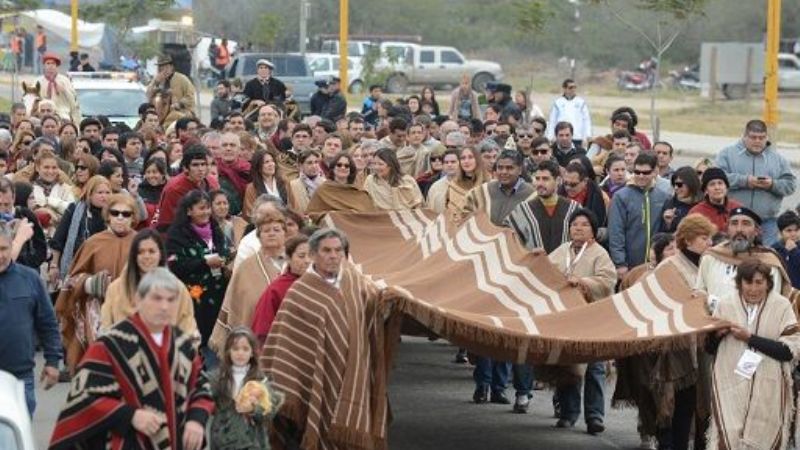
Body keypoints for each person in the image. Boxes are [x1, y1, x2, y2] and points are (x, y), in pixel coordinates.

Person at [260, 228, 399, 450]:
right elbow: (286, 345)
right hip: (318, 376)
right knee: (320, 422)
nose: (333, 255)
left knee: (352, 430)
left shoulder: (357, 282)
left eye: (338, 250)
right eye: (326, 250)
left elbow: (376, 313)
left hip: (355, 372)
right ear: (314, 255)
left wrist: (388, 304)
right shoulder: (299, 293)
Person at [48, 268, 214, 450]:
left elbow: (200, 387)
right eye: (157, 298)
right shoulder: (110, 345)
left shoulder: (183, 344)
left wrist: (196, 419)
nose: (164, 306)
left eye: (171, 300)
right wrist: (129, 415)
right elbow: (83, 399)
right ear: (139, 301)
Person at [705, 259, 800, 450]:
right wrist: (717, 335)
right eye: (748, 283)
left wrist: (750, 338)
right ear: (739, 283)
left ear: (768, 283)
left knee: (763, 436)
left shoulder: (781, 306)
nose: (753, 288)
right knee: (728, 436)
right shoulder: (725, 304)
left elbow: (788, 351)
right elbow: (709, 348)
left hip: (769, 386)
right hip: (729, 382)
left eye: (759, 282)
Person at [651, 214, 716, 450]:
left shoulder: (710, 264)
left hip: (705, 342)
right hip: (677, 344)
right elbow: (662, 301)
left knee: (705, 403)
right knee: (681, 404)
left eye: (710, 237)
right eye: (703, 237)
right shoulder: (669, 266)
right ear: (687, 240)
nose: (709, 243)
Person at [548, 209, 616, 434]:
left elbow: (608, 281)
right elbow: (544, 274)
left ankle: (595, 416)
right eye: (575, 224)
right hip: (565, 318)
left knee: (594, 369)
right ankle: (568, 413)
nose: (578, 228)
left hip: (592, 318)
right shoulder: (560, 251)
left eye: (584, 224)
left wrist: (582, 282)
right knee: (568, 367)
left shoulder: (599, 254)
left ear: (593, 231)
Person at [55, 193, 138, 372]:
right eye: (115, 213)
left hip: (134, 317)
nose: (120, 218)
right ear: (107, 215)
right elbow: (71, 281)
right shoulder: (93, 243)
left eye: (126, 213)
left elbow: (158, 279)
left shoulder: (143, 243)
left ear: (134, 216)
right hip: (97, 318)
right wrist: (88, 283)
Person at [0, 219, 61, 416]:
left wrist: (52, 362)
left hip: (20, 378)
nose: (0, 255)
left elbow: (48, 323)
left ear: (12, 246)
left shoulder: (30, 278)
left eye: (3, 248)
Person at [166, 190, 231, 366]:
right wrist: (205, 262)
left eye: (208, 208)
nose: (206, 212)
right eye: (201, 208)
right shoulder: (177, 235)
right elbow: (175, 265)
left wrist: (226, 259)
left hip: (219, 297)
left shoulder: (216, 229)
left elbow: (224, 251)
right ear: (189, 211)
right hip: (194, 300)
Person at [209, 209, 286, 355]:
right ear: (259, 236)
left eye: (276, 230)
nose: (271, 233)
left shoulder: (295, 263)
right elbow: (237, 303)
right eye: (266, 231)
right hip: (257, 336)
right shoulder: (246, 267)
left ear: (284, 233)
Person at [716, 119, 796, 246]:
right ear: (744, 136)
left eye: (761, 138)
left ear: (767, 137)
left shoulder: (778, 159)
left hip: (767, 222)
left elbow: (791, 185)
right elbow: (718, 179)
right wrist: (745, 181)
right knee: (735, 258)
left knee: (766, 259)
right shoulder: (727, 154)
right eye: (753, 137)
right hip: (735, 221)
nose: (757, 141)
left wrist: (772, 184)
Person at [100, 228, 196, 333]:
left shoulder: (177, 289)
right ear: (134, 256)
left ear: (160, 254)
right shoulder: (115, 289)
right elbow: (105, 329)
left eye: (151, 251)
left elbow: (188, 331)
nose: (146, 256)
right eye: (141, 252)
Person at [209, 327, 284, 450]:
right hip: (224, 439)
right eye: (235, 349)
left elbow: (269, 410)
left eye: (245, 349)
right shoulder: (218, 378)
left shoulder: (260, 379)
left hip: (252, 439)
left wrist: (254, 408)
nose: (240, 353)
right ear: (228, 351)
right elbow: (204, 396)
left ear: (252, 353)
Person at [608, 153, 670, 279]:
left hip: (656, 265)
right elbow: (616, 231)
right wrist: (620, 263)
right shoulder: (621, 197)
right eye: (637, 172)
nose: (641, 176)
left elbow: (666, 232)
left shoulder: (664, 197)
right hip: (629, 266)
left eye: (646, 172)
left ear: (655, 172)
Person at [506, 160, 580, 252]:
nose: (540, 183)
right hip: (534, 264)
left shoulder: (574, 209)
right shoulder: (523, 210)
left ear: (558, 180)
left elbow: (582, 241)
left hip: (565, 265)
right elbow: (509, 241)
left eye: (545, 179)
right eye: (537, 179)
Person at [49, 176, 112, 284]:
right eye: (100, 192)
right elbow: (58, 239)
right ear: (90, 194)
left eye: (107, 192)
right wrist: (54, 266)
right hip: (75, 266)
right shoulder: (74, 209)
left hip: (103, 269)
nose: (104, 196)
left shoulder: (114, 214)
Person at [251, 235, 311, 347]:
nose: (307, 261)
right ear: (288, 258)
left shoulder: (322, 285)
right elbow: (262, 330)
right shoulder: (276, 289)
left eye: (311, 255)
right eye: (301, 256)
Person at [155, 145, 219, 231]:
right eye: (195, 165)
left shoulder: (213, 183)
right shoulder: (174, 188)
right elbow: (166, 224)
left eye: (203, 164)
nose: (200, 169)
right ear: (185, 168)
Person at [306, 152, 376, 217]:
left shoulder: (359, 192)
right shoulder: (323, 190)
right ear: (333, 168)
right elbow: (311, 214)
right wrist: (333, 214)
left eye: (347, 166)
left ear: (350, 169)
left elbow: (370, 216)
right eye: (339, 165)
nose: (343, 168)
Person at [0, 178, 47, 270]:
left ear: (13, 198)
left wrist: (28, 266)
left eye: (6, 204)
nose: (2, 209)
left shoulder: (26, 215)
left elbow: (41, 247)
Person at [559, 161, 609, 242]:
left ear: (585, 181)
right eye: (565, 183)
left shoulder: (599, 197)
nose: (568, 188)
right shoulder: (559, 193)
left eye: (573, 185)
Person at [688, 168, 742, 235]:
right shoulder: (696, 212)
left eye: (720, 183)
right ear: (706, 191)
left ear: (726, 187)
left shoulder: (737, 208)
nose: (717, 187)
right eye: (712, 184)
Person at [146, 55, 197, 122]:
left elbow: (190, 98)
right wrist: (155, 82)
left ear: (171, 67)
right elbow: (148, 95)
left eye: (166, 67)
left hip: (181, 114)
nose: (164, 70)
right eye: (161, 68)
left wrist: (179, 104)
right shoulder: (157, 80)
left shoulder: (182, 79)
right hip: (161, 116)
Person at [35, 52, 81, 124]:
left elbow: (73, 101)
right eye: (48, 63)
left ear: (56, 66)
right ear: (44, 66)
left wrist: (64, 90)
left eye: (53, 64)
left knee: (66, 122)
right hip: (43, 112)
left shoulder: (65, 80)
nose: (50, 66)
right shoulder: (37, 81)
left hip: (62, 112)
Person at [445, 146, 488, 223]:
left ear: (477, 160)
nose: (466, 161)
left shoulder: (487, 185)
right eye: (463, 158)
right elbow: (450, 212)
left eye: (470, 157)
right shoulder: (454, 186)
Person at [546, 78, 591, 146]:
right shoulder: (558, 103)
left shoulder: (581, 102)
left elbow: (586, 120)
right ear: (564, 89)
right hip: (561, 137)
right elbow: (552, 120)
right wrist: (550, 136)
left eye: (574, 87)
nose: (573, 89)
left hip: (577, 137)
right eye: (570, 87)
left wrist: (587, 136)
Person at [659, 166, 702, 233]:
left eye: (679, 184)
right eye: (674, 184)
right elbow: (661, 235)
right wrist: (668, 224)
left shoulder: (702, 204)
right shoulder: (670, 204)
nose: (676, 188)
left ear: (690, 184)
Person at [773, 210, 800, 289]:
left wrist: (794, 251)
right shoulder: (775, 249)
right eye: (789, 230)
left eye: (796, 230)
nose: (793, 234)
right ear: (780, 233)